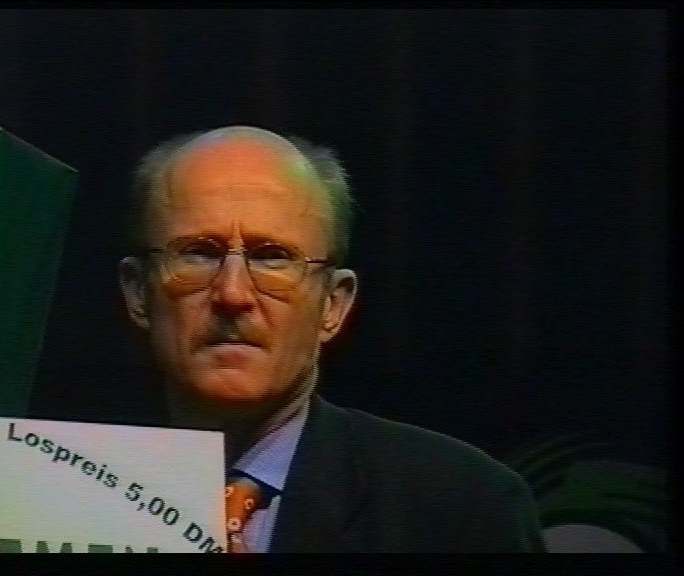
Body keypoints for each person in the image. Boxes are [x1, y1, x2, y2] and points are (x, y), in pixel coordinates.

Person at [118, 125, 545, 553]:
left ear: (333, 305)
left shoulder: (460, 506)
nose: (233, 294)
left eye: (272, 257)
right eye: (199, 253)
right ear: (138, 292)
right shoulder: (75, 487)